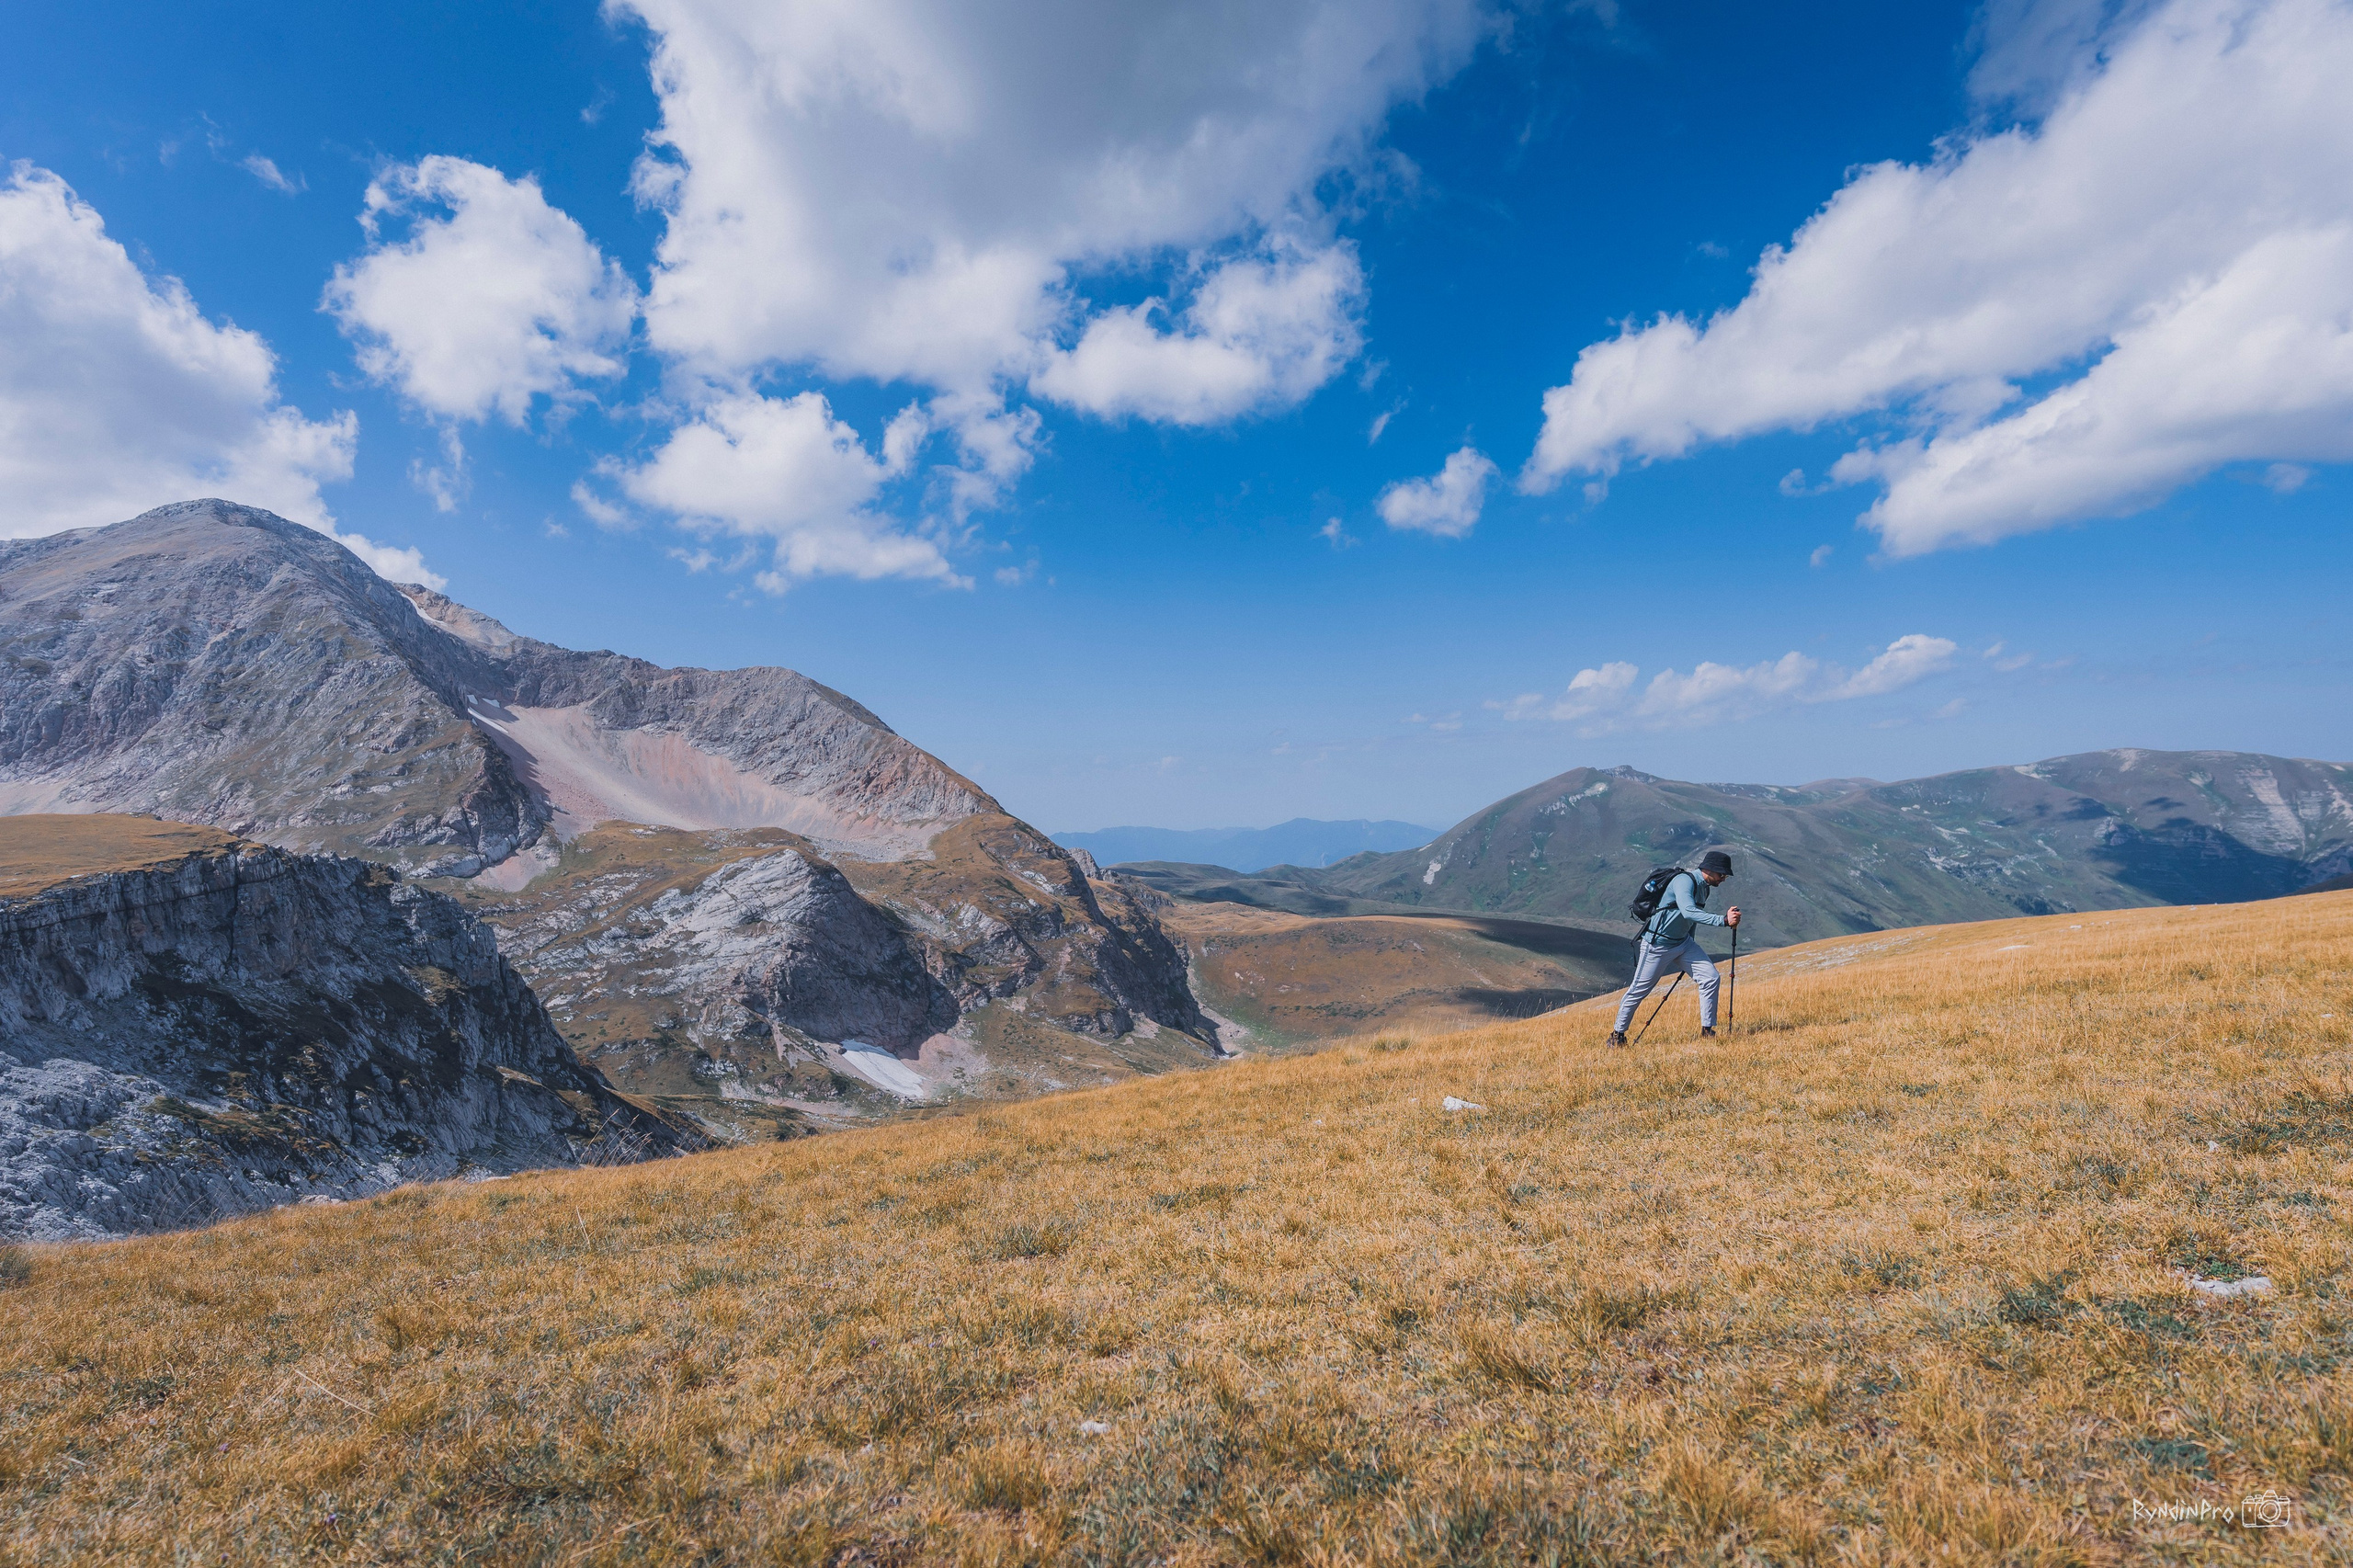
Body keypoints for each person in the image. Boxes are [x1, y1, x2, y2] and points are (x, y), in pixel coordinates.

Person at [1607, 849, 1740, 1046]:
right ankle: (1617, 1036)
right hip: (1656, 945)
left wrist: (1690, 946)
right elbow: (1688, 912)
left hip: (1683, 943)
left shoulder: (1705, 888)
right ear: (1710, 870)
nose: (1724, 879)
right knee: (1638, 991)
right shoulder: (1684, 881)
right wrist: (1723, 920)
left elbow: (1691, 919)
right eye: (1722, 874)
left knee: (1710, 978)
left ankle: (1707, 1032)